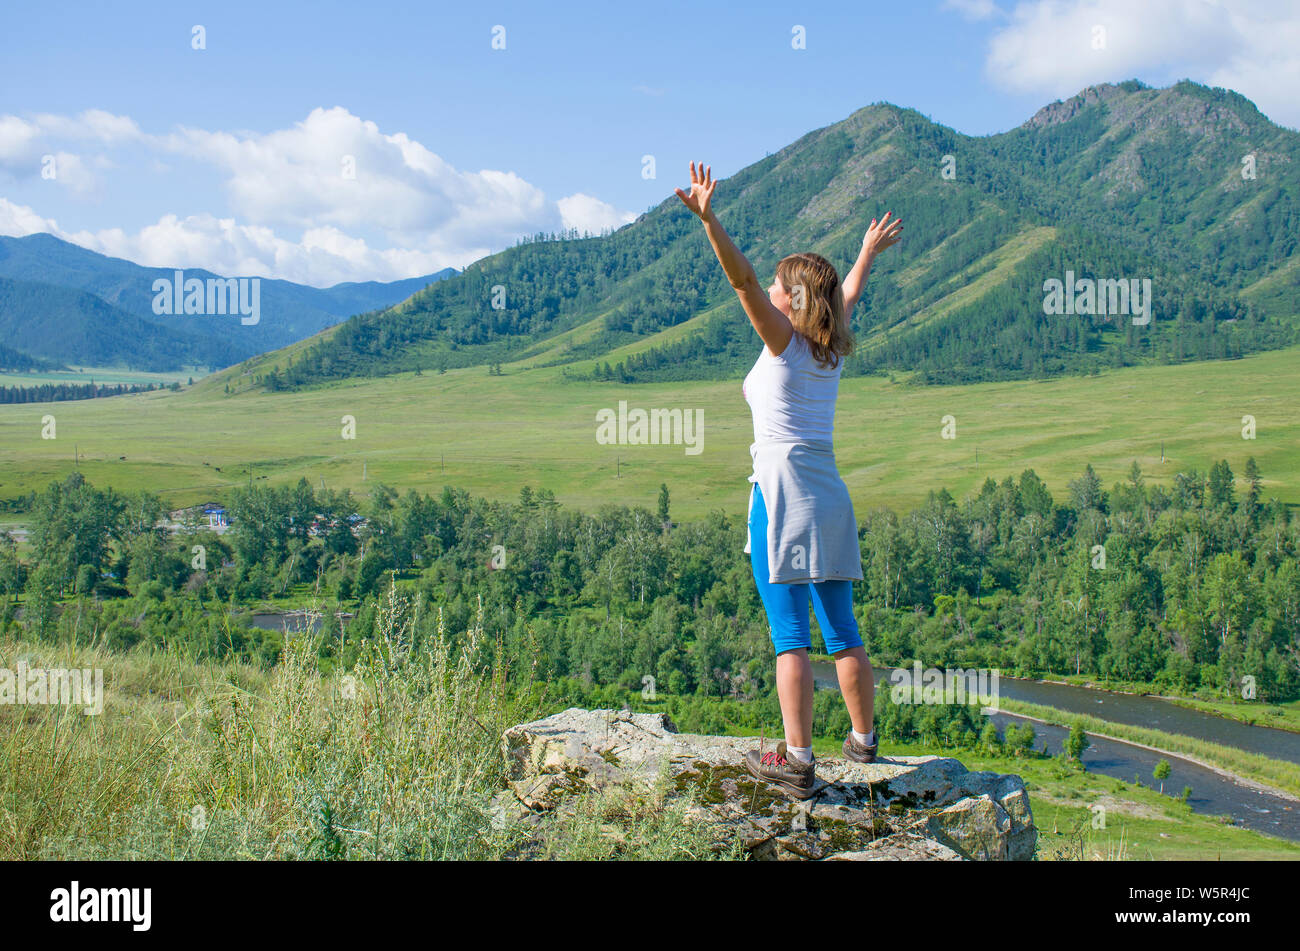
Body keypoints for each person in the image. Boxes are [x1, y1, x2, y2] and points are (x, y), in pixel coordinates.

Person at [675, 161, 903, 799]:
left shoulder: (783, 341)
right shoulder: (829, 344)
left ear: (792, 301)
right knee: (844, 631)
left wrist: (710, 220)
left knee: (790, 636)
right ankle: (862, 743)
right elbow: (846, 293)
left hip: (778, 499)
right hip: (829, 497)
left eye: (780, 286)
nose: (769, 289)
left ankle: (797, 763)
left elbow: (740, 278)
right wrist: (864, 254)